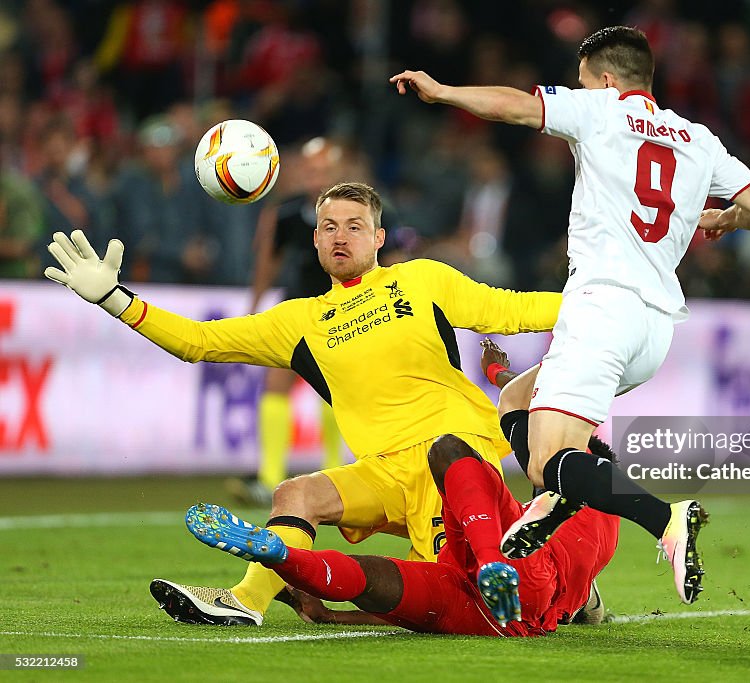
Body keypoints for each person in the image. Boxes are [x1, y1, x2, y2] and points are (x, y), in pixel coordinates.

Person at [43, 181, 560, 626]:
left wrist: (608, 305)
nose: (341, 235)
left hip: (450, 462)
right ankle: (243, 602)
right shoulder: (299, 321)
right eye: (329, 226)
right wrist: (115, 298)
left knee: (462, 598)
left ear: (379, 238)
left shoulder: (422, 279)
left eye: (356, 225)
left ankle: (567, 585)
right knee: (296, 494)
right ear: (314, 240)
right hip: (381, 470)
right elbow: (197, 341)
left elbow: (511, 310)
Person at [391, 25, 750, 603]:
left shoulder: (602, 110)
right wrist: (724, 221)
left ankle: (662, 519)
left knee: (549, 461)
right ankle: (560, 497)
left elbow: (516, 107)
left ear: (604, 79)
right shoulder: (698, 139)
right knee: (516, 400)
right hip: (654, 329)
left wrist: (444, 91)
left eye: (581, 80)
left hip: (602, 308)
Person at [183, 429, 619, 636]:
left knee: (449, 452)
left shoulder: (582, 496)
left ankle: (281, 554)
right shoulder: (597, 538)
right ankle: (282, 557)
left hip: (504, 566)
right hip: (493, 614)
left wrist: (499, 374)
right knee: (372, 578)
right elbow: (412, 620)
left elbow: (529, 424)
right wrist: (332, 616)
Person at [227, 138, 384, 507]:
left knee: (334, 390)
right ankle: (269, 476)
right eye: (311, 170)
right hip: (296, 308)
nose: (317, 177)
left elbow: (386, 263)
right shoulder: (284, 214)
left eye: (324, 170)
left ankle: (333, 469)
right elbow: (267, 262)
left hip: (345, 308)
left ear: (338, 172)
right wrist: (254, 305)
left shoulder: (364, 212)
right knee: (276, 382)